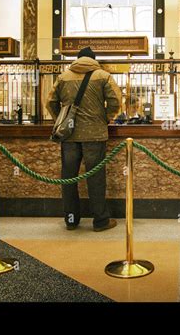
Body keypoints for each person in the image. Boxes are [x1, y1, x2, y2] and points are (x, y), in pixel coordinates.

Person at [46, 47, 121, 231]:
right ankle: (100, 221)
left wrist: (61, 120)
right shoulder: (103, 76)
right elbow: (115, 101)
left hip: (69, 136)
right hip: (95, 135)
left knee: (68, 177)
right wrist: (105, 118)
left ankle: (71, 220)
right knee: (95, 177)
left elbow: (50, 102)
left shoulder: (63, 77)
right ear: (93, 60)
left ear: (77, 59)